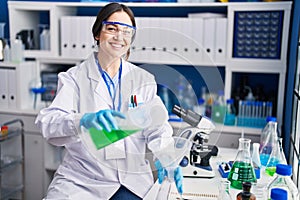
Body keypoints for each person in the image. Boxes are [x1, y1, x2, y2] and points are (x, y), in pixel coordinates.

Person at [35, 2, 183, 199]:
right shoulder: (73, 78)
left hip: (132, 180)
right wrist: (83, 120)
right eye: (111, 28)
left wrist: (167, 158)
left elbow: (158, 126)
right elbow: (48, 123)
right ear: (98, 33)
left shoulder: (143, 80)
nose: (119, 37)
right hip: (82, 179)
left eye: (126, 31)